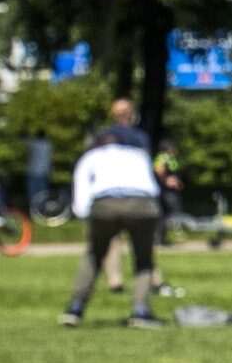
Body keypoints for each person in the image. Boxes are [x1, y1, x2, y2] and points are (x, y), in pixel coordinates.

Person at [63, 126, 165, 329]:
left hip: (104, 203)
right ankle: (140, 312)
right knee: (143, 260)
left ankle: (75, 308)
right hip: (141, 203)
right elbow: (152, 186)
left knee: (94, 255)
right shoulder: (138, 154)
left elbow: (81, 185)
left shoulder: (92, 156)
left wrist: (84, 215)